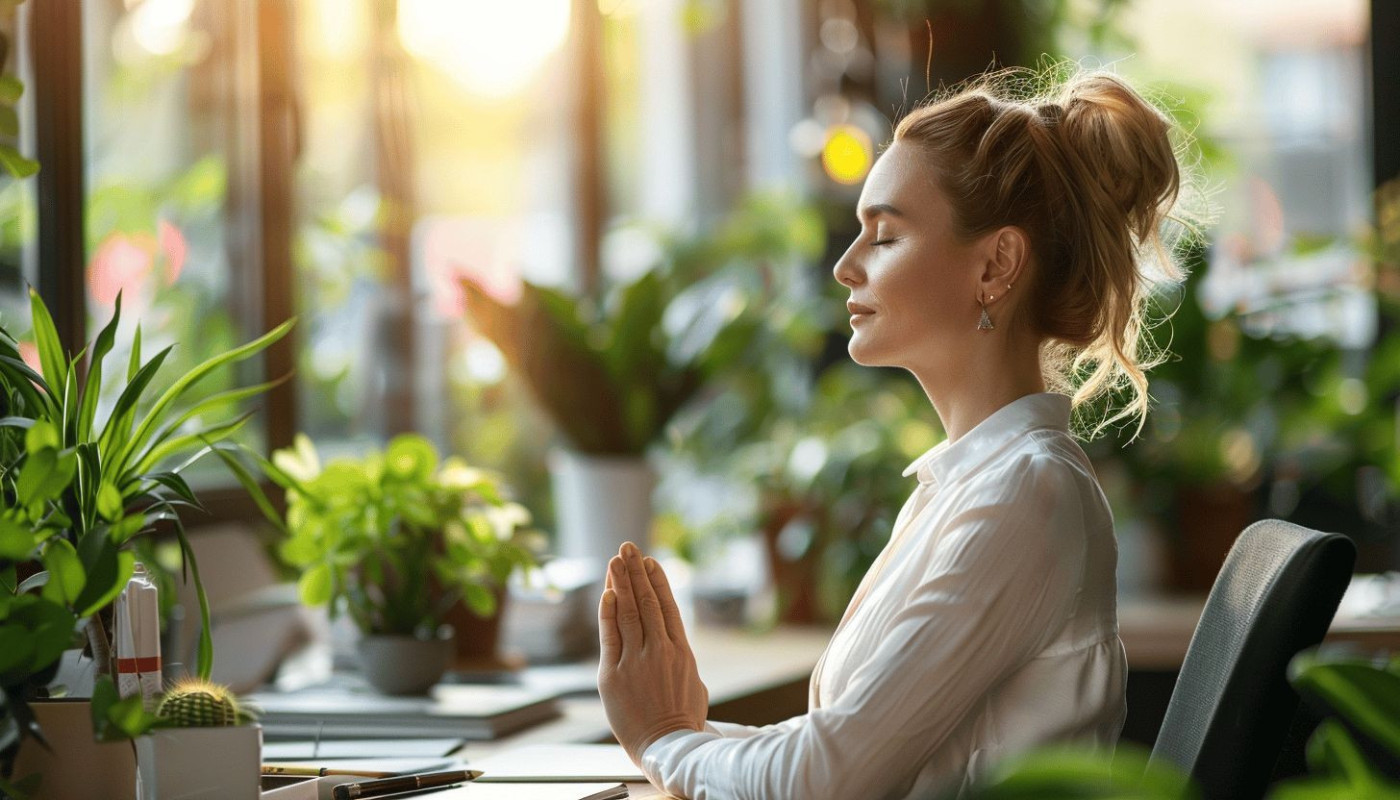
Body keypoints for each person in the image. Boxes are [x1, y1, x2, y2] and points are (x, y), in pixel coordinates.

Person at [595, 64, 1210, 800]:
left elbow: (824, 778)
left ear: (996, 265)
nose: (845, 266)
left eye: (883, 236)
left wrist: (665, 737)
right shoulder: (970, 486)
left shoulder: (1026, 496)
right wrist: (681, 737)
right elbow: (838, 751)